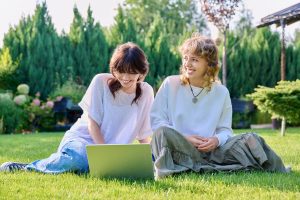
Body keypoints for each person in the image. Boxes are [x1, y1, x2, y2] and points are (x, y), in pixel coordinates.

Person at [0, 42, 154, 174]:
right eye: (121, 71)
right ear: (114, 69)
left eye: (132, 72)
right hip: (81, 141)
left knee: (145, 159)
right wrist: (105, 156)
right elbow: (92, 123)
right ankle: (29, 167)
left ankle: (88, 165)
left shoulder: (146, 92)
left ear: (141, 72)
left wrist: (150, 161)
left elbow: (143, 134)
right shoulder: (101, 82)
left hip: (114, 153)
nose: (126, 78)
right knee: (79, 159)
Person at [150, 34, 288, 179]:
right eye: (185, 58)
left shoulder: (221, 92)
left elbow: (225, 130)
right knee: (161, 132)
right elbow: (157, 121)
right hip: (179, 149)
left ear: (209, 64)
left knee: (251, 138)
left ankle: (277, 169)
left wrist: (216, 140)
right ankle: (175, 169)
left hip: (213, 153)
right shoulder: (170, 84)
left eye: (194, 60)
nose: (187, 64)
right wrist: (186, 138)